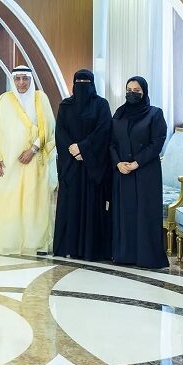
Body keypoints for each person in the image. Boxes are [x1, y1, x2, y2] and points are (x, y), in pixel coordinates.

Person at [0, 65, 56, 256]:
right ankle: (9, 242)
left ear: (31, 80)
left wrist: (33, 149)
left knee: (33, 203)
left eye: (25, 79)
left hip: (33, 161)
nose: (21, 83)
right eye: (17, 79)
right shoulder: (4, 99)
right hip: (9, 163)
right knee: (8, 202)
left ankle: (35, 244)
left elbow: (48, 128)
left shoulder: (40, 98)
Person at [110, 76, 169, 268]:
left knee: (145, 215)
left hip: (146, 173)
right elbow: (111, 143)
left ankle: (146, 257)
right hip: (123, 173)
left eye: (136, 91)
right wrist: (118, 163)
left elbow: (157, 143)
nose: (132, 94)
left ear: (144, 92)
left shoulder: (155, 114)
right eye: (129, 90)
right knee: (125, 214)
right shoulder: (119, 113)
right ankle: (124, 255)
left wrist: (137, 163)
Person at [54, 70, 112, 261]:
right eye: (78, 81)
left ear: (92, 84)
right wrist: (73, 150)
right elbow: (60, 132)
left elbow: (104, 131)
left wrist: (83, 149)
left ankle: (91, 250)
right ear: (73, 84)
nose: (82, 85)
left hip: (92, 169)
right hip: (71, 166)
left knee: (92, 207)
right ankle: (69, 247)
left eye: (86, 82)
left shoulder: (101, 105)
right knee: (70, 207)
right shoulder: (65, 105)